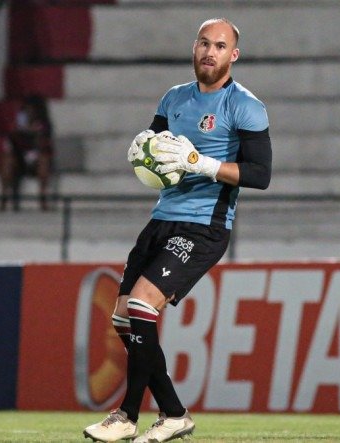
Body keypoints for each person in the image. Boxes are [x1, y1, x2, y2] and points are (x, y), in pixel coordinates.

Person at [82, 17, 272, 443]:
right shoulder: (173, 98)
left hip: (205, 224)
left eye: (220, 46)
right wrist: (141, 151)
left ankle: (127, 416)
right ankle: (173, 413)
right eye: (204, 43)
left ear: (233, 55)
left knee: (143, 307)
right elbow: (155, 149)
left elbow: (260, 174)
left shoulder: (244, 106)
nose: (210, 51)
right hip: (163, 216)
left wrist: (201, 164)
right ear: (194, 48)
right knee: (122, 317)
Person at [0, 96, 53, 211]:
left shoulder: (44, 125)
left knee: (44, 159)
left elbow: (45, 146)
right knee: (7, 159)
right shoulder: (18, 124)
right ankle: (4, 197)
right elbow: (10, 144)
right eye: (26, 109)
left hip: (36, 160)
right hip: (20, 159)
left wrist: (36, 133)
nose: (29, 112)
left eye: (31, 109)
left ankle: (43, 198)